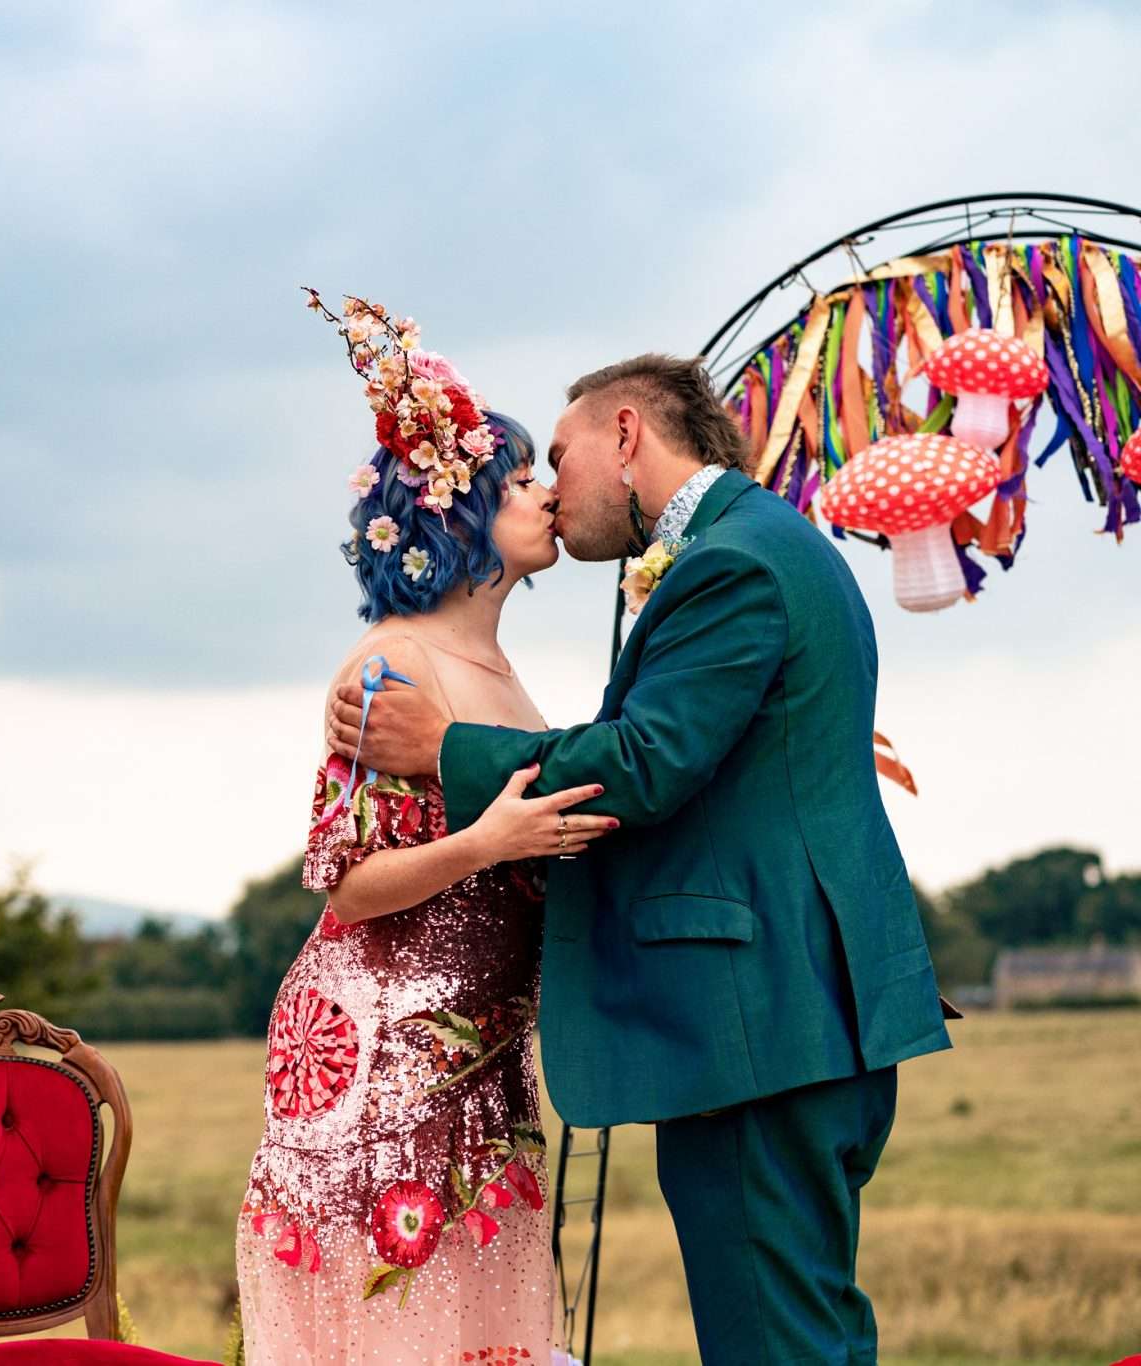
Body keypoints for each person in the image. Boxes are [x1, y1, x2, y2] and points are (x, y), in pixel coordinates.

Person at [330, 353, 954, 1365]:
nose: (551, 488)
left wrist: (443, 748)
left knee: (771, 1345)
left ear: (625, 434)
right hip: (796, 1020)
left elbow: (644, 762)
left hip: (758, 1030)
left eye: (558, 457)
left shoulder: (731, 563)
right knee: (811, 1332)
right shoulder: (763, 542)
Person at [237, 296, 609, 1364]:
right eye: (521, 480)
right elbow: (349, 882)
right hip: (383, 1050)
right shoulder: (391, 664)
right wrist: (487, 844)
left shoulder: (498, 669)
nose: (547, 493)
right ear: (460, 512)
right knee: (400, 1319)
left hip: (482, 1050)